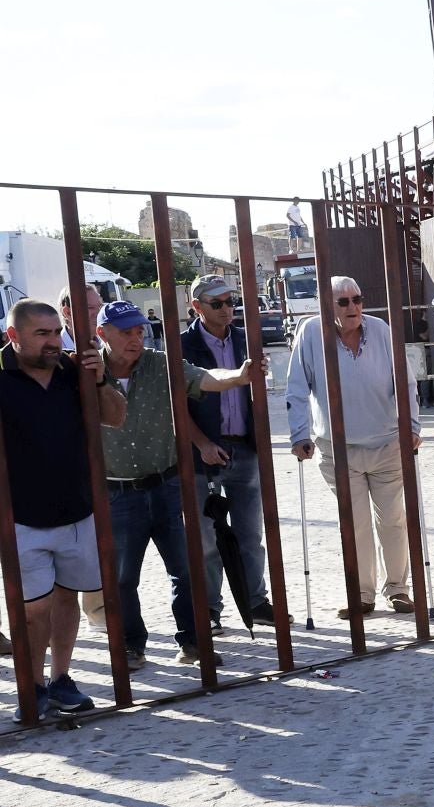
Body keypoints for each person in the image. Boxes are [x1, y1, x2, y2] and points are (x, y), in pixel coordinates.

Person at [97, 299, 257, 666]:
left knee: (185, 569)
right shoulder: (87, 370)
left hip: (166, 484)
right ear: (101, 333)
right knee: (122, 577)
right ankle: (130, 645)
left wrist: (240, 376)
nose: (136, 338)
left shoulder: (159, 364)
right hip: (118, 489)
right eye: (126, 332)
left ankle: (194, 641)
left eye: (139, 331)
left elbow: (204, 378)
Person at [1, 299, 125, 721]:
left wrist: (102, 380)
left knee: (67, 598)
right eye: (42, 334)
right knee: (33, 610)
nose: (54, 342)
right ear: (13, 336)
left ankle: (60, 680)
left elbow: (116, 418)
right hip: (21, 517)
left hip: (78, 509)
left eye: (57, 332)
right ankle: (31, 686)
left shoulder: (73, 372)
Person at [286, 276, 422, 617]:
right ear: (326, 305)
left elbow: (404, 381)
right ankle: (362, 595)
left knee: (393, 519)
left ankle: (399, 589)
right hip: (337, 447)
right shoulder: (311, 333)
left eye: (357, 299)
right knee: (355, 521)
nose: (353, 307)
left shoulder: (379, 329)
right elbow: (297, 385)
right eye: (343, 301)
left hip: (386, 441)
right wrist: (299, 434)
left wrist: (413, 426)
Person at [180, 275, 273, 631]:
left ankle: (257, 602)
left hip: (244, 448)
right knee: (206, 538)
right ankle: (210, 610)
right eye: (216, 303)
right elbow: (176, 405)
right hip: (203, 452)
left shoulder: (245, 339)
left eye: (230, 301)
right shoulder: (181, 346)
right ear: (196, 307)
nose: (226, 309)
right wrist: (202, 444)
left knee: (251, 533)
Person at [57, 283, 102, 353]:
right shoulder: (55, 350)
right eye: (90, 307)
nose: (99, 313)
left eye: (100, 307)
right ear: (68, 313)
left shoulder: (108, 344)